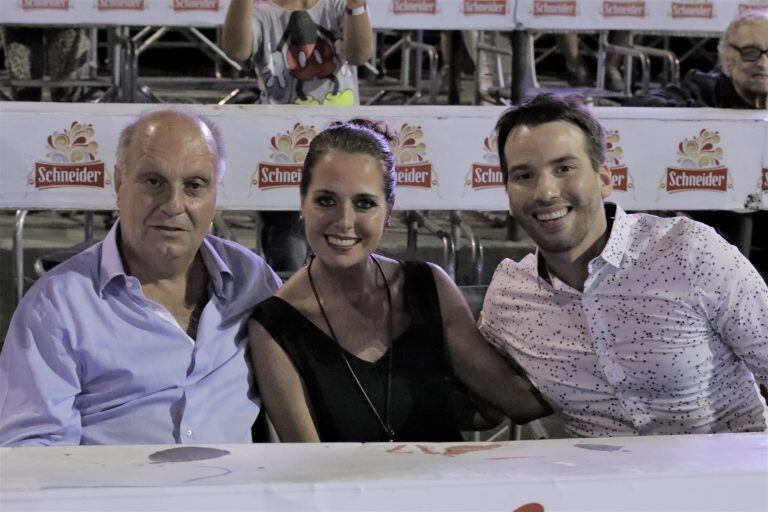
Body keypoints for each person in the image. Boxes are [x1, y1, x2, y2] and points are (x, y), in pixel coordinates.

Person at [479, 93, 768, 438]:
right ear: (508, 194)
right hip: (596, 487)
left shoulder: (690, 251)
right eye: (524, 175)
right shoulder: (510, 295)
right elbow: (484, 407)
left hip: (729, 481)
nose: (545, 192)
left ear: (604, 179)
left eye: (564, 168)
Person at [249, 120, 550, 442]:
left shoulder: (428, 286)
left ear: (388, 210)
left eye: (364, 203)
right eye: (326, 200)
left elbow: (517, 403)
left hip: (447, 486)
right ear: (302, 203)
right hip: (347, 491)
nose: (344, 221)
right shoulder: (275, 324)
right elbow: (309, 468)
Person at [0, 110, 281, 446]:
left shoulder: (252, 281)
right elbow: (32, 449)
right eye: (153, 182)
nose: (174, 204)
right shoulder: (58, 305)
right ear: (119, 184)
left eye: (194, 185)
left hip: (232, 493)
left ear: (215, 195)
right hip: (112, 495)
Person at [223, 0, 373, 273]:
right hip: (283, 157)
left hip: (341, 151)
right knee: (288, 261)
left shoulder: (337, 6)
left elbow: (359, 55)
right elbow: (237, 49)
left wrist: (357, 6)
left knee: (345, 253)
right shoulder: (261, 12)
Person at [626, 11, 768, 109]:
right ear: (727, 59)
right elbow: (637, 104)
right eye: (750, 52)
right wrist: (702, 114)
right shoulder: (705, 87)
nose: (763, 63)